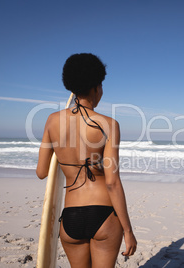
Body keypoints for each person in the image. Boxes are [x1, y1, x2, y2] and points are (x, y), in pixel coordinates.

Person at [36, 53, 137, 267]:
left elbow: (42, 172)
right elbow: (112, 182)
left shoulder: (52, 121)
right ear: (96, 87)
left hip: (70, 216)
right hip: (104, 215)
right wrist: (128, 230)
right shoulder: (109, 124)